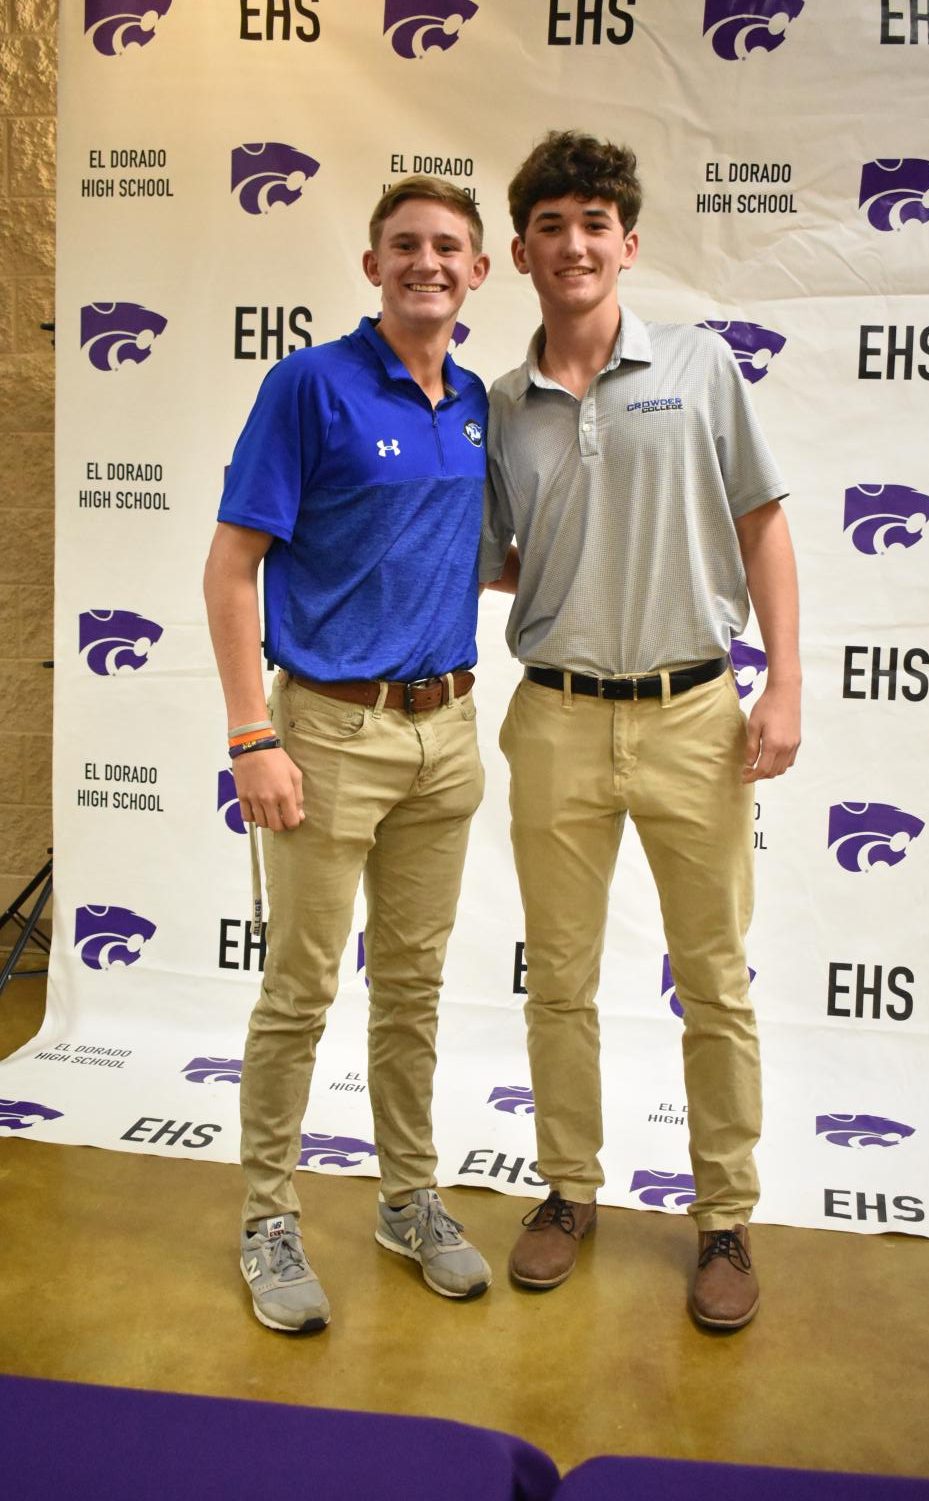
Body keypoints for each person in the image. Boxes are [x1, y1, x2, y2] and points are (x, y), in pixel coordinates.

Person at [480, 132, 800, 1330]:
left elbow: (765, 526)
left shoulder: (705, 367)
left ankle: (724, 1215)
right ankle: (567, 1192)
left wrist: (787, 686)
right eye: (552, 224)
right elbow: (497, 559)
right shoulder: (499, 406)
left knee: (713, 979)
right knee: (557, 982)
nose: (575, 243)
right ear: (521, 251)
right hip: (555, 719)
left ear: (629, 240)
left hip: (694, 716)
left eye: (595, 222)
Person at [204, 175, 492, 1333]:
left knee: (412, 991)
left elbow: (487, 547)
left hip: (450, 733)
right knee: (300, 990)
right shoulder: (308, 386)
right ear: (373, 265)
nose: (428, 262)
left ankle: (407, 1198)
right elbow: (231, 569)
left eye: (449, 248)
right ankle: (269, 1216)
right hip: (324, 731)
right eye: (406, 245)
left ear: (480, 272)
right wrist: (251, 734)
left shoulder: (478, 400)